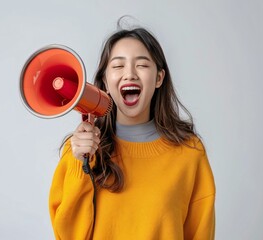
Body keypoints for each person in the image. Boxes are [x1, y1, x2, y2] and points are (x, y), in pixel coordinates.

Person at [48, 22, 216, 240]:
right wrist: (80, 165)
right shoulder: (79, 150)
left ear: (158, 78)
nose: (130, 75)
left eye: (142, 65)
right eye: (118, 66)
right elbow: (67, 236)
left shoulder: (190, 152)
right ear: (106, 80)